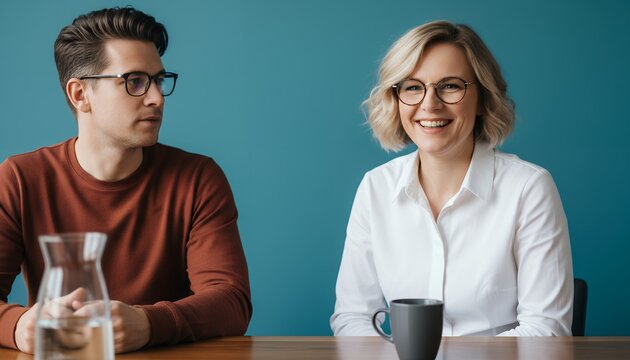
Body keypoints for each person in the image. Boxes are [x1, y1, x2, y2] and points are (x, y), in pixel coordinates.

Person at [0, 7, 252, 353]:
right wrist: (19, 327)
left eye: (159, 80)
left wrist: (148, 323)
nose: (156, 98)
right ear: (79, 94)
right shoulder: (20, 179)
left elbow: (231, 301)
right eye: (134, 81)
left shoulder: (197, 178)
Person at [330, 21, 573, 336]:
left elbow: (546, 331)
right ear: (396, 98)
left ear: (483, 98)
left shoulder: (528, 188)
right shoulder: (376, 187)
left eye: (450, 86)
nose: (429, 104)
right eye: (413, 87)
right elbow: (352, 319)